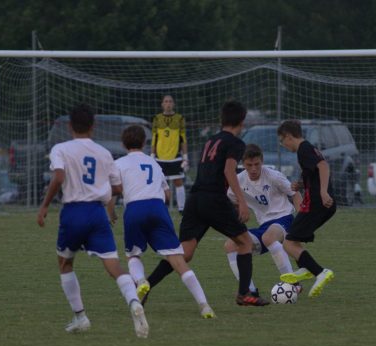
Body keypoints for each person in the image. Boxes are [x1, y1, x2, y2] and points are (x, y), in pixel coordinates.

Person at [142, 100, 270, 306]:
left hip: (196, 198)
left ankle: (145, 286)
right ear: (242, 121)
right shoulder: (236, 143)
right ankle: (245, 293)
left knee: (185, 252)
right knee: (245, 242)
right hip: (214, 199)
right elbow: (229, 171)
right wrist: (242, 202)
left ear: (222, 120)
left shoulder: (211, 140)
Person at [37, 103, 149, 338]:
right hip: (98, 214)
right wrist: (101, 191)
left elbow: (58, 176)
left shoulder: (61, 148)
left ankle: (81, 317)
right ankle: (133, 303)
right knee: (114, 266)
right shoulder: (103, 152)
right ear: (93, 125)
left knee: (66, 263)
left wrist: (45, 205)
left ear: (70, 126)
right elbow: (117, 187)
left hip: (73, 212)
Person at [113, 125, 215, 318]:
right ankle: (204, 306)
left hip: (135, 209)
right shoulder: (153, 163)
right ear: (144, 143)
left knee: (133, 256)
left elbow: (115, 190)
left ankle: (142, 281)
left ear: (123, 143)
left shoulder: (119, 163)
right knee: (178, 261)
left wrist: (111, 212)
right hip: (158, 208)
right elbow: (167, 195)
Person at [223, 143, 303, 295]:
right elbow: (231, 201)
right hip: (264, 225)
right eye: (249, 165)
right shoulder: (239, 180)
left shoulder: (273, 176)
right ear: (242, 163)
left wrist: (301, 223)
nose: (253, 168)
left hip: (284, 218)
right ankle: (249, 290)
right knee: (230, 245)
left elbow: (295, 194)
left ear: (262, 161)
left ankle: (293, 283)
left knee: (268, 237)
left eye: (257, 164)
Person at [276, 119, 337, 298]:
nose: (283, 145)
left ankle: (319, 272)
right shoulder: (307, 149)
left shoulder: (304, 149)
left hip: (317, 203)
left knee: (288, 242)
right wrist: (301, 184)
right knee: (294, 241)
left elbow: (323, 166)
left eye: (282, 141)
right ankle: (306, 268)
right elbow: (314, 173)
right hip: (321, 204)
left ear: (288, 136)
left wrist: (324, 192)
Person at [151, 95, 188, 214]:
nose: (168, 104)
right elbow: (154, 138)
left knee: (178, 182)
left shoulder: (180, 118)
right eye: (166, 101)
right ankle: (161, 207)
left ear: (174, 104)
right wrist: (152, 155)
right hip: (160, 157)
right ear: (162, 104)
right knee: (160, 184)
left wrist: (185, 157)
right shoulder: (157, 118)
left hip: (174, 156)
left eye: (170, 101)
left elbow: (183, 139)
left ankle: (181, 209)